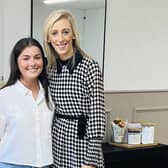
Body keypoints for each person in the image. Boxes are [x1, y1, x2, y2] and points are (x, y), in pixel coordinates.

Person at [43, 9, 106, 168]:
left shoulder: (89, 66)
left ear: (73, 35)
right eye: (55, 33)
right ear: (48, 38)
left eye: (65, 32)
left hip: (82, 141)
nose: (61, 38)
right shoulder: (49, 69)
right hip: (58, 141)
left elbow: (97, 117)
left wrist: (90, 160)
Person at [0, 37, 54, 168]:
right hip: (11, 164)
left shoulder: (50, 94)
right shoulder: (5, 95)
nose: (33, 63)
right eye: (26, 58)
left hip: (46, 164)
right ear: (16, 62)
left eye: (37, 57)